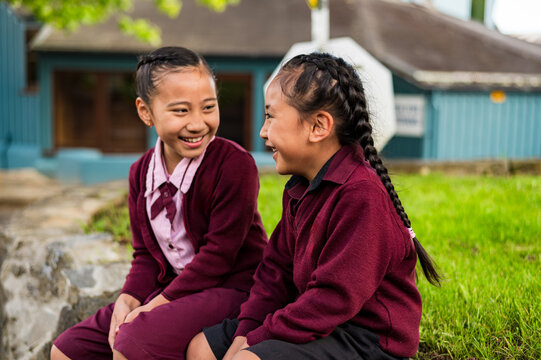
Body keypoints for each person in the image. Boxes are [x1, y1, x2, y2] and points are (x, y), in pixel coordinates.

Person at [187, 52, 441, 360]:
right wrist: (246, 331)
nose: (262, 132)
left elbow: (332, 299)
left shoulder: (361, 195)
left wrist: (257, 340)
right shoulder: (299, 187)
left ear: (318, 126)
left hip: (366, 341)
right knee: (201, 348)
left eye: (270, 116)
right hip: (312, 321)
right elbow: (275, 271)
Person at [51, 46, 268, 360]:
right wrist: (129, 298)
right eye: (181, 111)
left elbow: (219, 257)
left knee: (131, 343)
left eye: (208, 107)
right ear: (145, 112)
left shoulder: (233, 164)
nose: (197, 123)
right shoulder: (141, 174)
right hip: (176, 290)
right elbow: (145, 256)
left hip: (234, 288)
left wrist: (153, 306)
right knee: (68, 350)